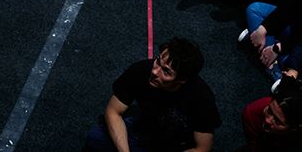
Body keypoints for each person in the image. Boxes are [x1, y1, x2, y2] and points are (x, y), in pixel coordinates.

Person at [85, 38, 221, 152]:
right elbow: (113, 111)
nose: (155, 72)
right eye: (158, 61)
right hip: (147, 130)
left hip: (177, 144)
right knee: (95, 137)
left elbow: (202, 148)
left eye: (166, 72)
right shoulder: (140, 70)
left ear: (182, 80)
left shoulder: (202, 98)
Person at [241, 83, 302, 152]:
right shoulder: (252, 113)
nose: (267, 120)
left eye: (277, 121)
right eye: (269, 111)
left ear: (295, 128)